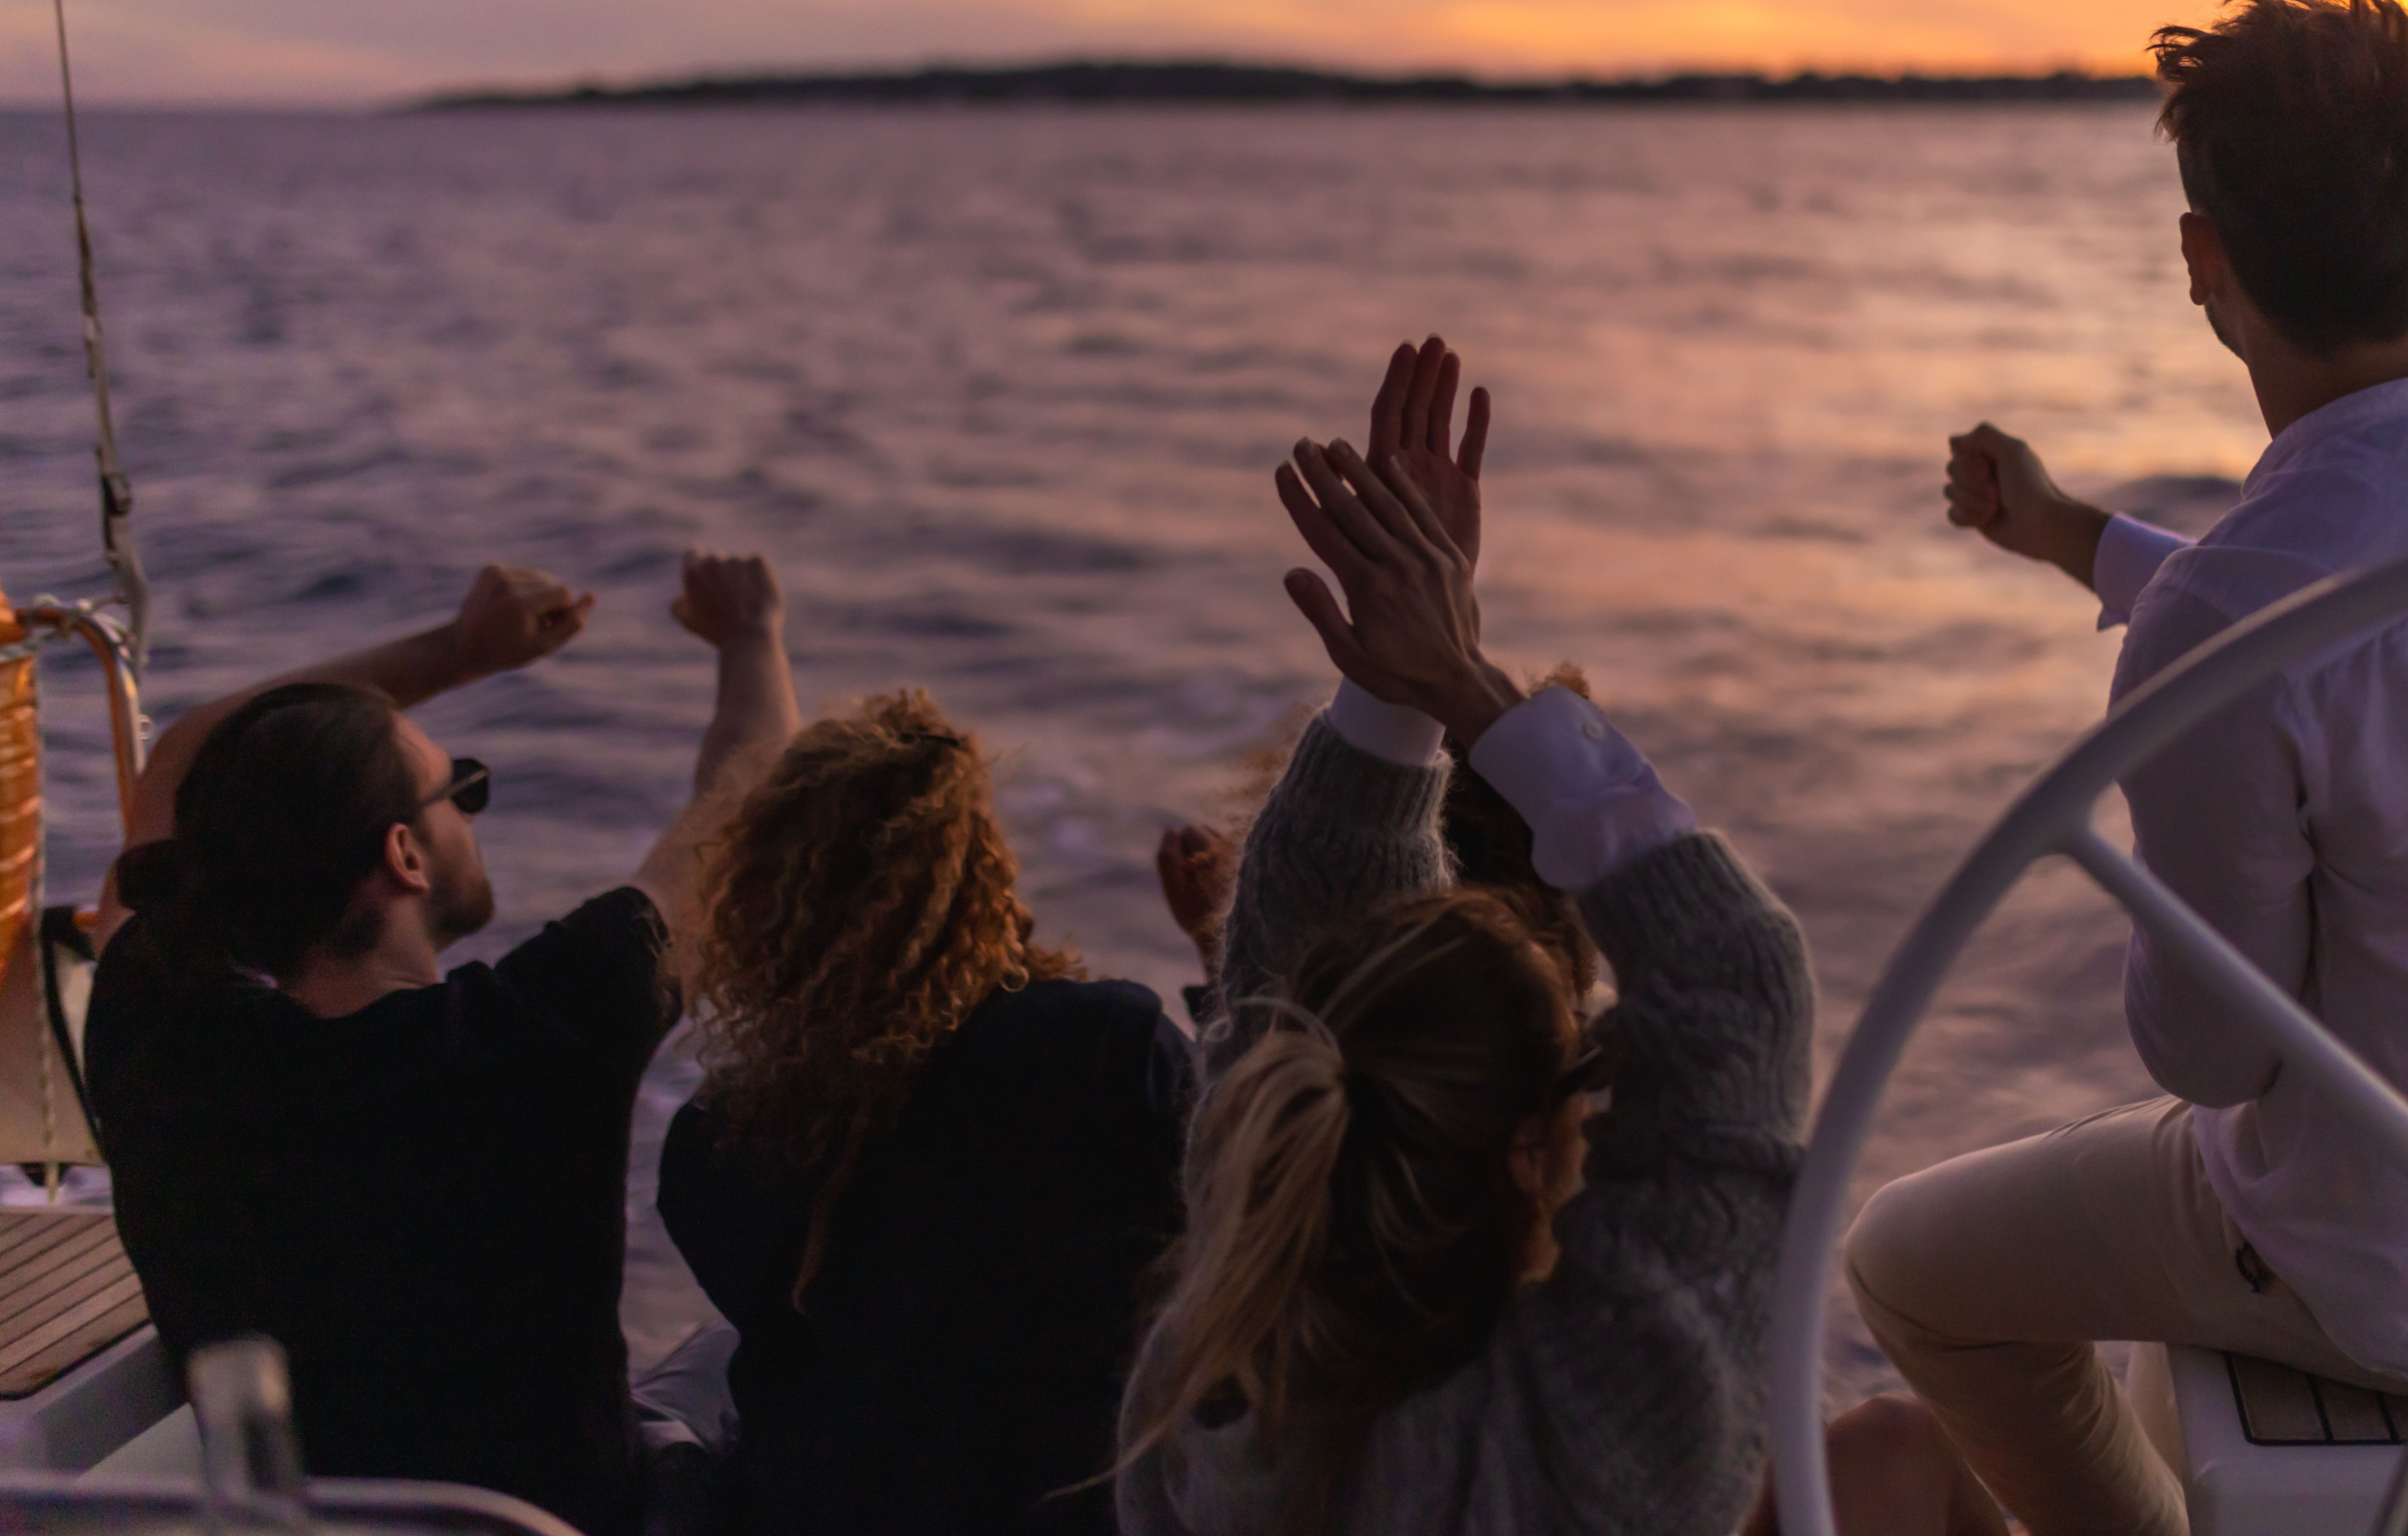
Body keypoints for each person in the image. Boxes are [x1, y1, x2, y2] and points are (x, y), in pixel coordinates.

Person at [1840, 0, 2408, 1536]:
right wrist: (2073, 538)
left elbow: (2208, 1057)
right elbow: (2374, 611)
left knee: (1900, 1263)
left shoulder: (2227, 616)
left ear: (2201, 261)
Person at [1113, 336, 1820, 1536]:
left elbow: (1296, 1010)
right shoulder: (1591, 1450)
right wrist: (1451, 681)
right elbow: (1740, 981)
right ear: (1527, 1149)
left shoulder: (1210, 1397)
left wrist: (1404, 694)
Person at [89, 554, 796, 1536]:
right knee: (759, 1355)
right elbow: (747, 811)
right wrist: (752, 633)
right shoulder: (535, 1035)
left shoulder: (155, 1036)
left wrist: (460, 651)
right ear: (404, 854)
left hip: (311, 1527)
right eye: (458, 791)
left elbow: (184, 758)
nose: (468, 807)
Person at [654, 688, 1193, 1536]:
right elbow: (1263, 1214)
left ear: (762, 904)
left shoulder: (713, 1145)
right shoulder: (1100, 1049)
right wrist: (1221, 951)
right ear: (984, 877)